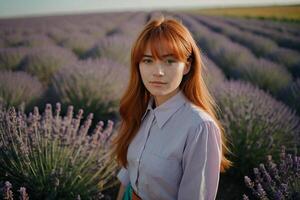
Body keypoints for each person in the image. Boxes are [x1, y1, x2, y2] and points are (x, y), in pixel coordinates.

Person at [109, 15, 232, 200]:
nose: (158, 72)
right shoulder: (141, 110)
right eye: (148, 60)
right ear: (138, 65)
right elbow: (129, 173)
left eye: (169, 61)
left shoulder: (199, 127)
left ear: (187, 67)